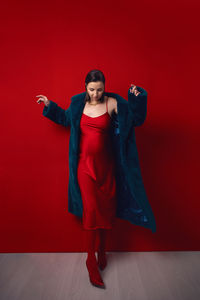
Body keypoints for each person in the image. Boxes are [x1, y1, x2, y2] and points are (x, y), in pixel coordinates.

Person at [36, 69, 143, 289]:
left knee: (105, 212)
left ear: (105, 87)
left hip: (107, 169)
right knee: (91, 212)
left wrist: (136, 97)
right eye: (92, 89)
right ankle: (90, 260)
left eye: (99, 89)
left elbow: (135, 120)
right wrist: (49, 106)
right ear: (85, 87)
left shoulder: (112, 103)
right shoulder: (77, 105)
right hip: (85, 169)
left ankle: (102, 251)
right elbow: (65, 118)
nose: (95, 94)